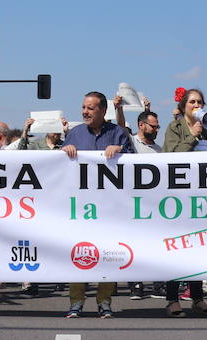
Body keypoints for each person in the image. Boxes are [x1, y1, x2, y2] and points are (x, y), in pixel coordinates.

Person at [60, 90, 132, 318]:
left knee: (108, 254)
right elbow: (59, 167)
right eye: (83, 107)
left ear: (103, 110)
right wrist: (64, 152)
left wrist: (121, 151)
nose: (85, 112)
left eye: (90, 108)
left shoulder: (118, 133)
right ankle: (76, 302)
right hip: (80, 207)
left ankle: (104, 301)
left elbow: (136, 164)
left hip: (110, 209)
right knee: (79, 253)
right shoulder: (75, 133)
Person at [162, 88, 207, 317]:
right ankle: (172, 299)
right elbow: (171, 157)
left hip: (201, 197)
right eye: (192, 102)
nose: (196, 105)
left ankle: (197, 298)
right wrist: (192, 135)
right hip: (178, 197)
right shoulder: (175, 128)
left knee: (198, 249)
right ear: (184, 106)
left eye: (200, 102)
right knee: (176, 251)